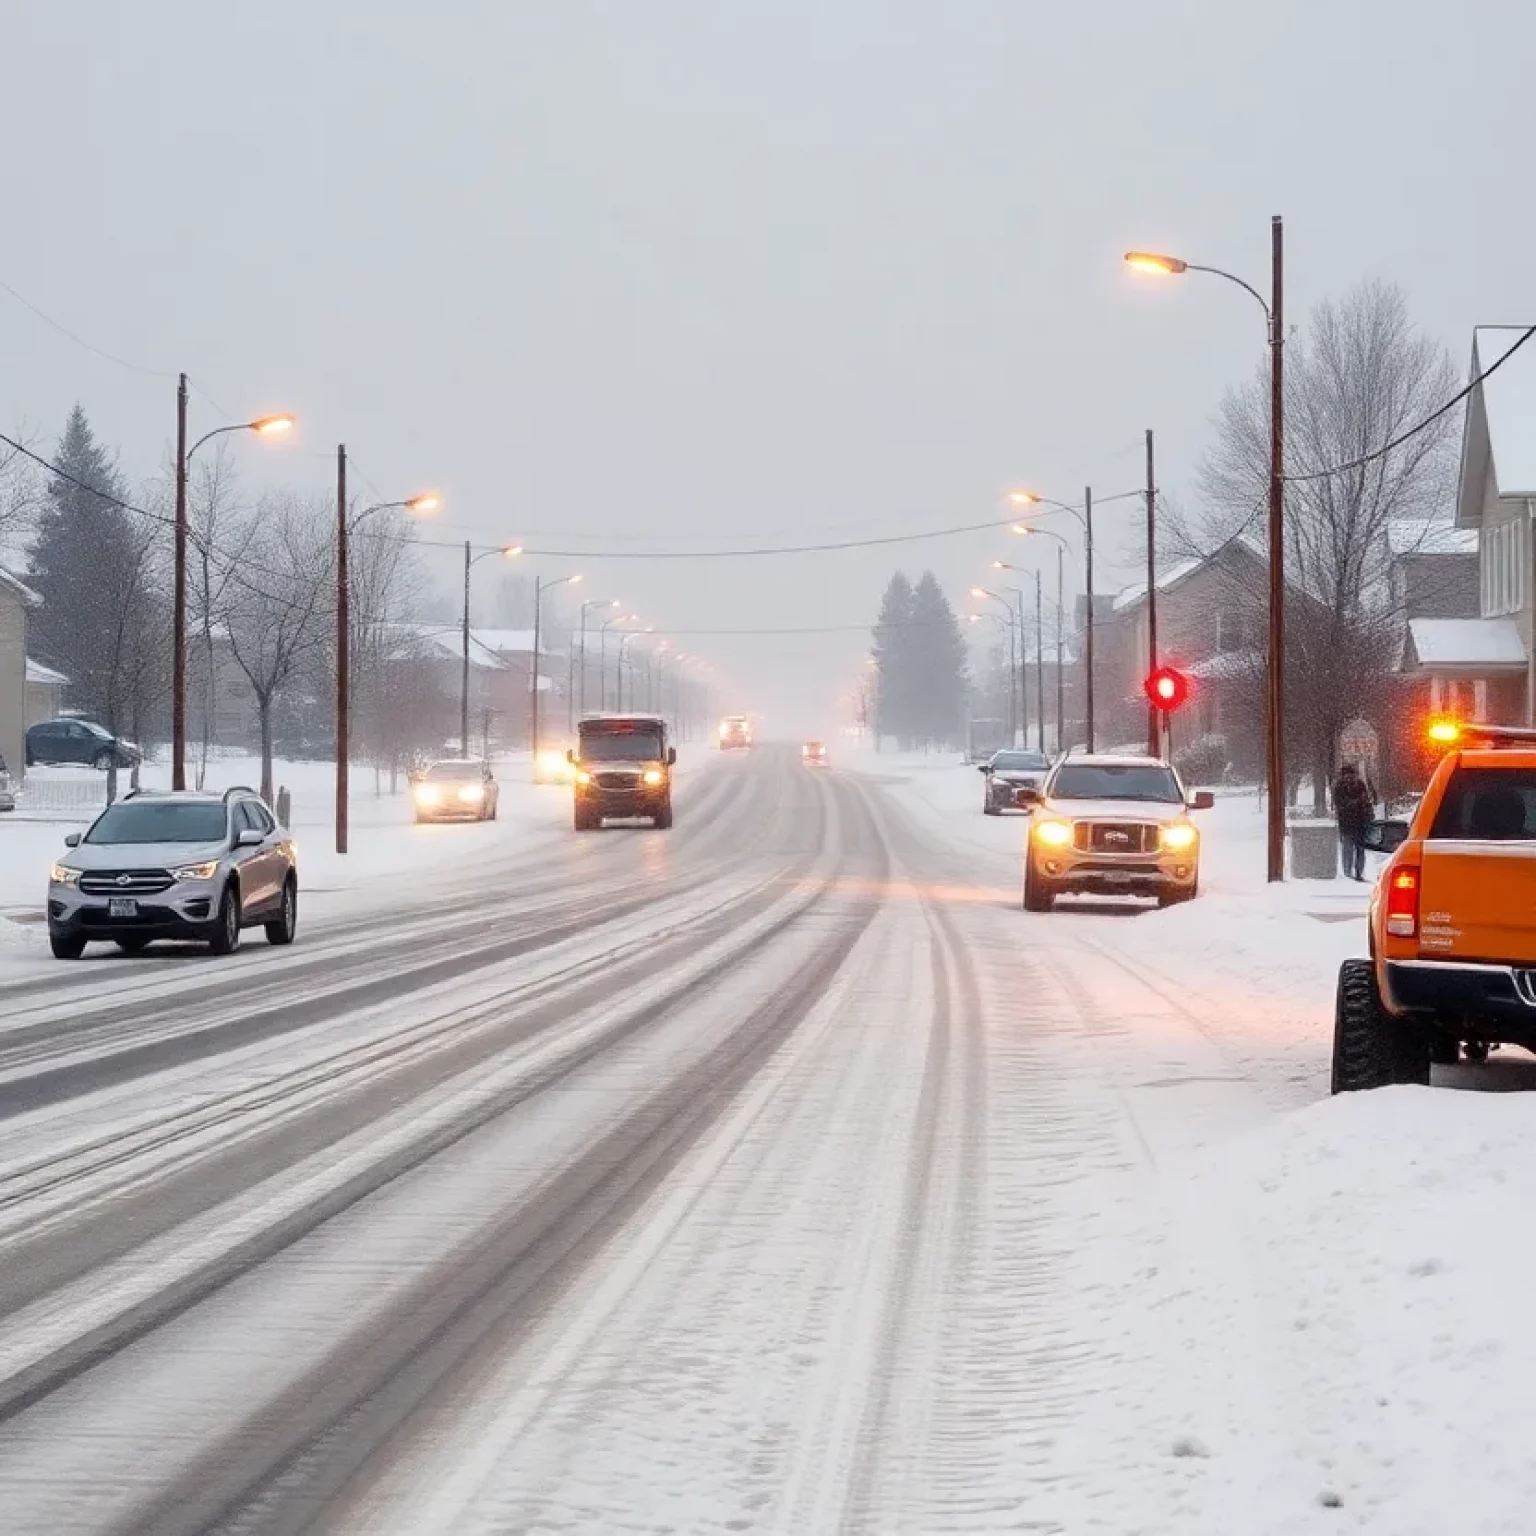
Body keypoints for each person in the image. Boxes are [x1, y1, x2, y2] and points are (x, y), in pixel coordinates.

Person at [1332, 761, 1373, 880]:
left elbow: (1366, 801)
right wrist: (1356, 803)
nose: (1349, 777)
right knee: (1349, 848)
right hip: (1348, 822)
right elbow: (1340, 804)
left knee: (1358, 849)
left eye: (1351, 774)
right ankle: (1348, 873)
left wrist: (1368, 813)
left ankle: (1358, 873)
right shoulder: (1339, 787)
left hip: (1359, 821)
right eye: (1347, 775)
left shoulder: (1359, 784)